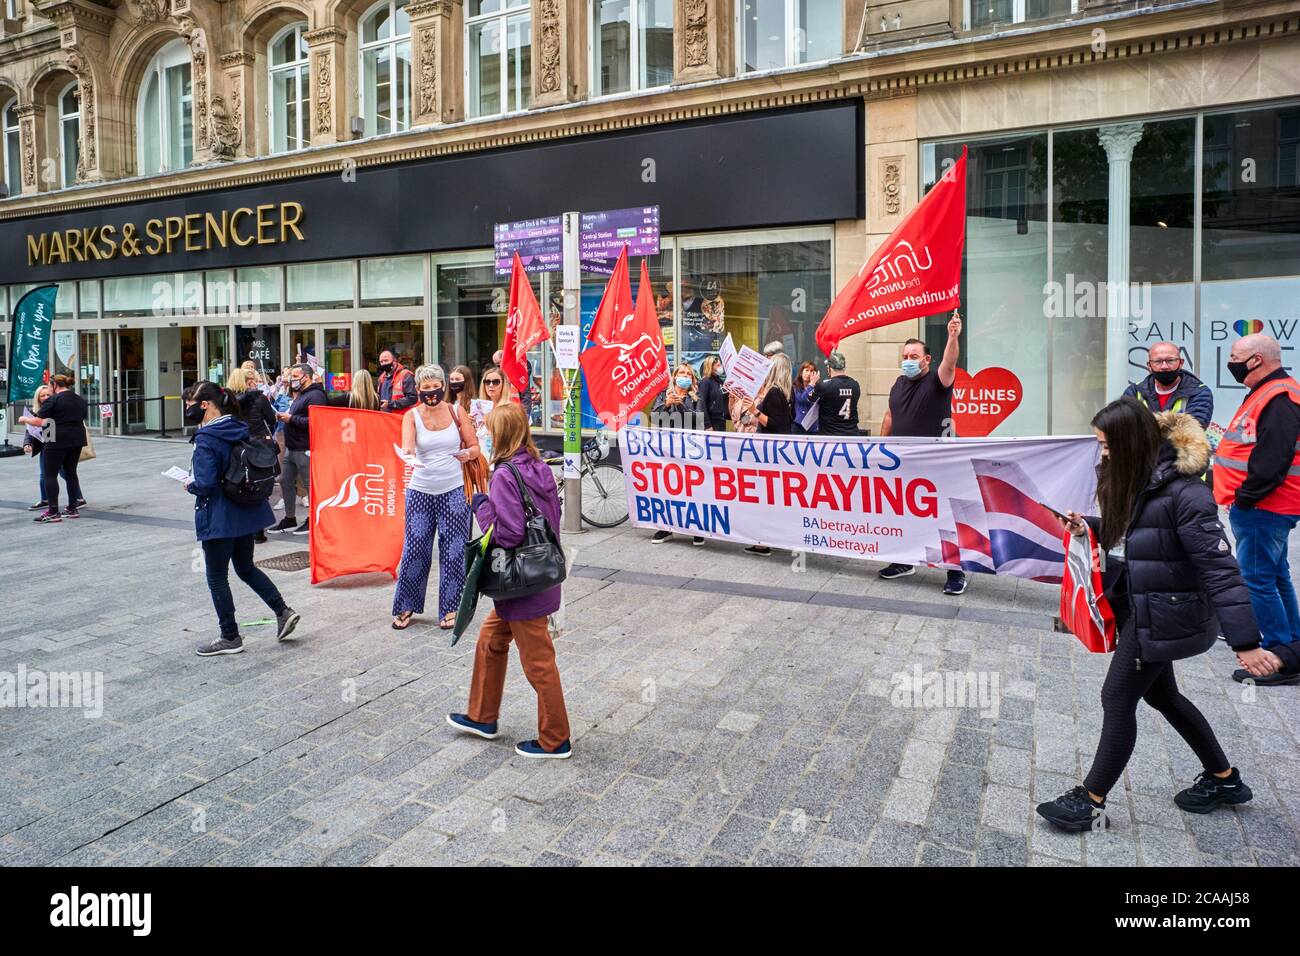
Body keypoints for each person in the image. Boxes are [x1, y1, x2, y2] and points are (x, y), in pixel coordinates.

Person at [1036, 399, 1266, 830]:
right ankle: (1225, 779)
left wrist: (1246, 642)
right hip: (1139, 604)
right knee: (1162, 696)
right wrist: (1090, 526)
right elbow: (1135, 534)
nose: (1102, 453)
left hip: (1160, 615)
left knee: (1117, 697)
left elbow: (1219, 569)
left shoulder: (1186, 492)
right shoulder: (1135, 478)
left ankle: (1090, 799)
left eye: (1107, 445)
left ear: (1131, 443)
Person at [446, 403, 572, 759]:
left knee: (539, 664)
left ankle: (555, 739)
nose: (484, 435)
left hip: (523, 587)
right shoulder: (537, 465)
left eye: (488, 430)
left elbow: (509, 533)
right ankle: (482, 716)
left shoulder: (504, 473)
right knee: (490, 640)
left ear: (501, 434)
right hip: (537, 578)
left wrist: (480, 504)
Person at [182, 381, 300, 657]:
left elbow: (206, 483)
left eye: (189, 405)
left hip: (220, 516)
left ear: (205, 405)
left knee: (216, 577)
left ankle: (230, 636)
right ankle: (283, 611)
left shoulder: (207, 438)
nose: (186, 410)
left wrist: (190, 485)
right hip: (245, 510)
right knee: (245, 567)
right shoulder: (238, 427)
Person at [1212, 333, 1300, 686]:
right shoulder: (1272, 392)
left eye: (1235, 356)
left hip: (1264, 507)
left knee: (1257, 580)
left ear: (1256, 360)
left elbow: (1273, 458)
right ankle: (1292, 647)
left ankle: (1277, 656)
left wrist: (1246, 497)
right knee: (1276, 576)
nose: (1230, 361)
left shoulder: (1278, 396)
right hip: (1266, 506)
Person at [877, 311, 966, 595]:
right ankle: (904, 561)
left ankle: (955, 571)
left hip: (937, 465)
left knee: (944, 516)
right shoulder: (898, 384)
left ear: (927, 360)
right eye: (905, 355)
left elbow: (950, 362)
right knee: (903, 514)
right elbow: (890, 415)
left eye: (914, 356)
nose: (908, 361)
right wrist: (881, 447)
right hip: (904, 464)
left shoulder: (938, 382)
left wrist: (952, 336)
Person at [391, 365, 480, 631]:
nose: (431, 393)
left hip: (454, 489)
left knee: (454, 551)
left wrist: (468, 454)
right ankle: (406, 604)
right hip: (421, 490)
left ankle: (451, 607)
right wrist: (408, 455)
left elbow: (474, 446)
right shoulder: (411, 416)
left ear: (443, 385)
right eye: (425, 388)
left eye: (435, 387)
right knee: (415, 549)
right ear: (418, 390)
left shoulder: (456, 411)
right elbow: (407, 446)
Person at [650, 364, 707, 546]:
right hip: (667, 450)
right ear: (674, 376)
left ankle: (696, 529)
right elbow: (654, 418)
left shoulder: (697, 397)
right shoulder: (663, 395)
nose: (685, 376)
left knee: (692, 490)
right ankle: (666, 528)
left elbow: (698, 421)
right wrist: (667, 405)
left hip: (689, 451)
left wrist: (681, 405)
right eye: (681, 373)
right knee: (668, 488)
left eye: (688, 374)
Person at [270, 364, 326, 535]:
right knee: (285, 480)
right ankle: (289, 518)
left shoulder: (316, 395)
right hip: (292, 447)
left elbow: (316, 421)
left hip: (306, 447)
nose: (291, 379)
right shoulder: (301, 395)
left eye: (295, 376)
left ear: (306, 377)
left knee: (310, 486)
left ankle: (313, 520)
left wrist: (291, 419)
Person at [226, 367, 277, 543]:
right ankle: (258, 531)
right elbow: (271, 419)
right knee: (261, 482)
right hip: (260, 444)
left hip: (238, 445)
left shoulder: (227, 400)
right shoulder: (259, 398)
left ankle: (243, 526)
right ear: (248, 381)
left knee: (241, 482)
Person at [31, 375, 88, 523]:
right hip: (77, 439)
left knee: (50, 474)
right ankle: (72, 508)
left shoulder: (54, 400)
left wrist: (24, 419)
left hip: (56, 439)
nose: (49, 389)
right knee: (71, 473)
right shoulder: (79, 399)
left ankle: (53, 511)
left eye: (49, 386)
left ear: (55, 384)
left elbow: (40, 420)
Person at [1122, 341, 1213, 428]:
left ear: (1181, 363)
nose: (1164, 366)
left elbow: (1192, 430)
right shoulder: (1134, 391)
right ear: (1149, 365)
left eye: (1170, 360)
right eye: (1158, 361)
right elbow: (1124, 425)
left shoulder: (1199, 392)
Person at [20, 384, 82, 512]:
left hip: (55, 444)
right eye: (42, 395)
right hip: (45, 445)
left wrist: (25, 419)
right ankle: (45, 499)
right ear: (38, 398)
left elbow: (42, 424)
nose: (45, 397)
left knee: (65, 473)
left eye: (48, 394)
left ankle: (77, 498)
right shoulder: (35, 410)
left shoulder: (56, 407)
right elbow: (29, 430)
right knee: (45, 474)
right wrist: (27, 443)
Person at [808, 348, 862, 437]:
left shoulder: (825, 386)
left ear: (829, 368)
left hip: (831, 437)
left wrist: (812, 383)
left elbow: (810, 398)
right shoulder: (855, 385)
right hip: (852, 435)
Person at [792, 361, 819, 434]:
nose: (809, 373)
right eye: (806, 370)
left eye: (811, 371)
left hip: (813, 426)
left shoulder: (818, 388)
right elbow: (802, 398)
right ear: (801, 373)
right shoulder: (795, 387)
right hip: (799, 425)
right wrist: (811, 384)